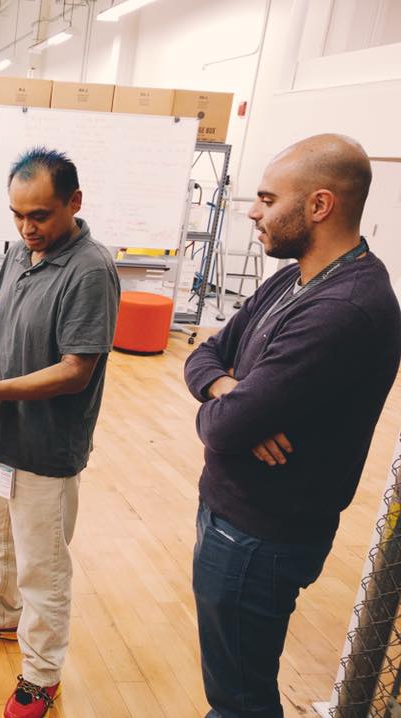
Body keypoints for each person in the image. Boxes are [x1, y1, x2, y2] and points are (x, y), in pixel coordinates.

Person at [184, 134, 401, 717]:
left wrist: (233, 410)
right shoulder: (295, 277)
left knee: (240, 699)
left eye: (267, 198)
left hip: (262, 536)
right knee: (229, 684)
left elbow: (224, 429)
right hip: (231, 512)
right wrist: (230, 389)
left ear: (319, 205)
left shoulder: (344, 309)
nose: (253, 211)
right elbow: (204, 355)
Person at [0, 147, 120, 718]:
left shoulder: (91, 271)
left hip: (46, 445)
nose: (26, 228)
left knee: (44, 563)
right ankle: (0, 613)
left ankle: (42, 673)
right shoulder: (19, 252)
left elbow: (74, 370)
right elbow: (0, 328)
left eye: (39, 215)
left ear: (74, 203)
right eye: (17, 215)